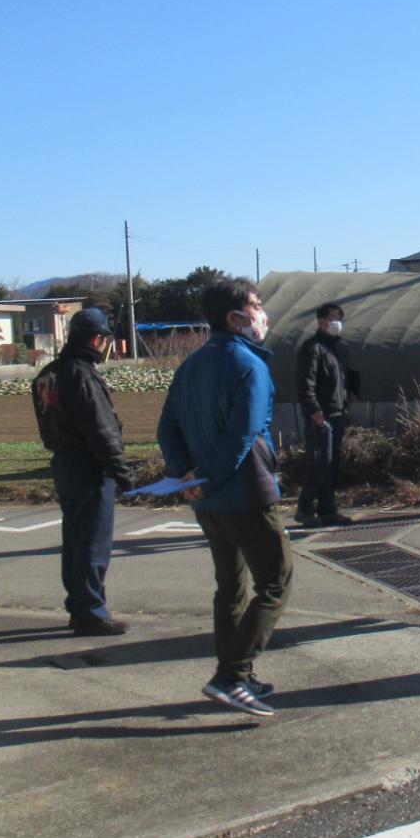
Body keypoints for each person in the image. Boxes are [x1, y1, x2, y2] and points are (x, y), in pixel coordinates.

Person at [157, 278, 295, 717]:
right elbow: (243, 433)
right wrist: (209, 476)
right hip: (246, 491)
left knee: (231, 587)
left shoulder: (191, 365)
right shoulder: (249, 365)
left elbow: (168, 429)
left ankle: (237, 673)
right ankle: (233, 675)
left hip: (207, 500)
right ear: (235, 317)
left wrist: (187, 477)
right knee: (276, 580)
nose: (262, 315)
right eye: (256, 306)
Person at [32, 306, 131, 636]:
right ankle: (91, 611)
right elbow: (102, 429)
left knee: (75, 540)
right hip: (90, 467)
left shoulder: (51, 372)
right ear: (96, 339)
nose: (104, 345)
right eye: (104, 338)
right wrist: (122, 473)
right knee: (93, 542)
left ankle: (79, 606)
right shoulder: (83, 374)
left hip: (64, 463)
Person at [295, 301, 360, 527]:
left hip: (337, 411)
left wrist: (353, 393)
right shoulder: (313, 347)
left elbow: (347, 374)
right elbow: (306, 383)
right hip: (320, 414)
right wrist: (314, 410)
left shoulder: (341, 347)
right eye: (332, 317)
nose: (336, 322)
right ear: (320, 320)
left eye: (339, 317)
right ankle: (305, 507)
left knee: (332, 464)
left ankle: (328, 509)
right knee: (320, 462)